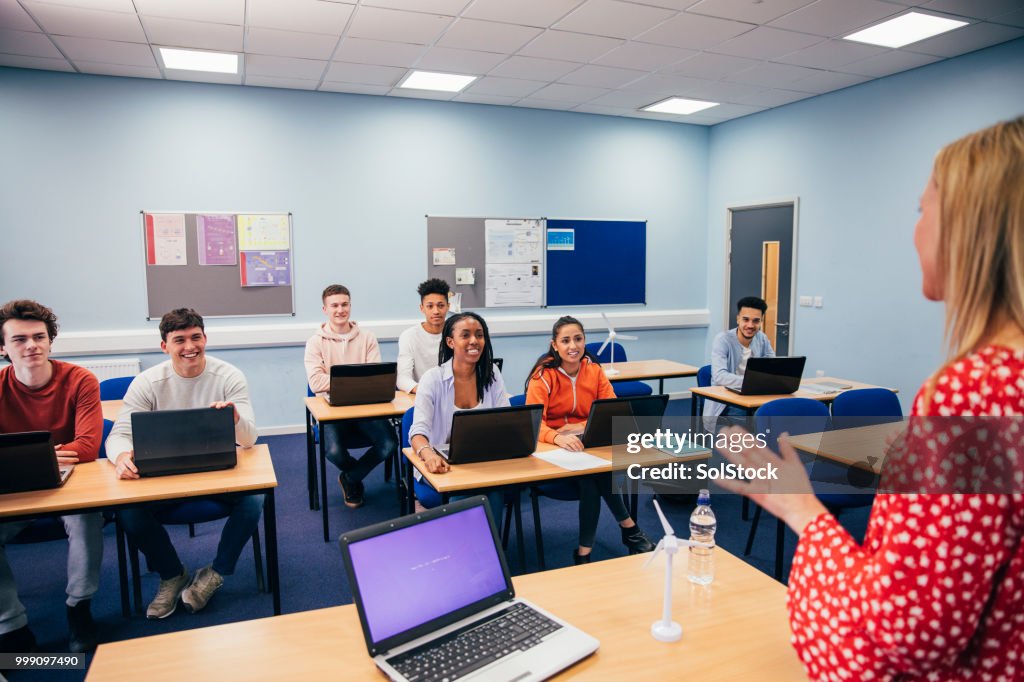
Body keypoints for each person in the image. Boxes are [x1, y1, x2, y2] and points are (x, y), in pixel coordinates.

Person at [717, 116, 1024, 681]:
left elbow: (903, 635)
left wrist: (796, 505)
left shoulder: (976, 391)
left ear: (970, 230)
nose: (915, 231)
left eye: (922, 210)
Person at [107, 308, 262, 619]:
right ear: (164, 346)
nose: (189, 346)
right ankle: (171, 573)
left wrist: (235, 418)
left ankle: (216, 573)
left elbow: (249, 440)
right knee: (128, 511)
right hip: (165, 475)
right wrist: (122, 456)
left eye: (196, 338)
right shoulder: (148, 382)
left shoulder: (229, 376)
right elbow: (119, 434)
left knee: (254, 499)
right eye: (179, 340)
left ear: (205, 339)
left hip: (216, 472)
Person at [0, 300, 102, 653]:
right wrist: (52, 454)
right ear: (3, 348)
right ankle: (11, 625)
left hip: (71, 485)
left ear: (50, 341)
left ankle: (79, 606)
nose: (32, 345)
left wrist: (22, 457)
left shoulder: (80, 380)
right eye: (19, 339)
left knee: (88, 518)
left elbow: (88, 447)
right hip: (13, 491)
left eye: (39, 337)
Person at [525, 316, 655, 564]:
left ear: (584, 341)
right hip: (550, 448)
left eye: (578, 339)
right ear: (554, 345)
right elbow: (532, 424)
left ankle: (586, 552)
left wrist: (580, 427)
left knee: (593, 473)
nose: (573, 346)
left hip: (584, 442)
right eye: (565, 341)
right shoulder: (542, 376)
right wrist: (556, 437)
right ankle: (629, 530)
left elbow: (610, 410)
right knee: (592, 477)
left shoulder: (594, 370)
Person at [408, 312, 509, 522]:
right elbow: (417, 433)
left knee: (496, 492)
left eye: (479, 335)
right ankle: (464, 550)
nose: (474, 341)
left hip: (482, 461)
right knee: (465, 495)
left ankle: (489, 552)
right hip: (443, 465)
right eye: (466, 335)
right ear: (451, 342)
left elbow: (506, 420)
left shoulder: (491, 374)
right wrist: (429, 455)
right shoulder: (432, 379)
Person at [304, 284, 398, 508]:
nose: (340, 310)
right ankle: (355, 474)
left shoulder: (367, 338)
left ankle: (351, 477)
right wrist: (354, 380)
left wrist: (338, 379)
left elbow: (374, 377)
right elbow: (315, 382)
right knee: (334, 451)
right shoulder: (315, 342)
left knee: (389, 443)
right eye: (334, 305)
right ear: (324, 309)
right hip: (331, 411)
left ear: (350, 306)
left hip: (366, 409)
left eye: (344, 304)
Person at [704, 296, 775, 425]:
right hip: (727, 402)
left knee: (782, 414)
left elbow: (773, 367)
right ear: (738, 319)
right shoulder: (723, 340)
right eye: (746, 319)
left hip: (756, 397)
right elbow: (719, 377)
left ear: (761, 321)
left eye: (756, 321)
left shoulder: (761, 338)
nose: (750, 325)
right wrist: (754, 382)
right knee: (758, 420)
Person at [397, 278, 449, 394]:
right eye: (430, 306)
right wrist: (428, 392)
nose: (436, 311)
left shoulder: (456, 334)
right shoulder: (409, 336)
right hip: (421, 397)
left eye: (440, 305)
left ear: (448, 306)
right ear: (422, 308)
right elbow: (402, 379)